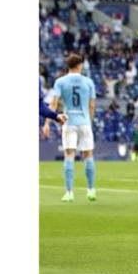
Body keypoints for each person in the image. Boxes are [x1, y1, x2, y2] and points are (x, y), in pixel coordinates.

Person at [43, 54, 97, 202]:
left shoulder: (60, 82)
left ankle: (69, 192)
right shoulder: (89, 82)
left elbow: (54, 103)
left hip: (69, 121)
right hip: (84, 122)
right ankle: (91, 190)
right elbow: (92, 105)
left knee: (69, 155)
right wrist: (89, 121)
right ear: (80, 65)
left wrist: (47, 123)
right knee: (88, 155)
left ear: (68, 66)